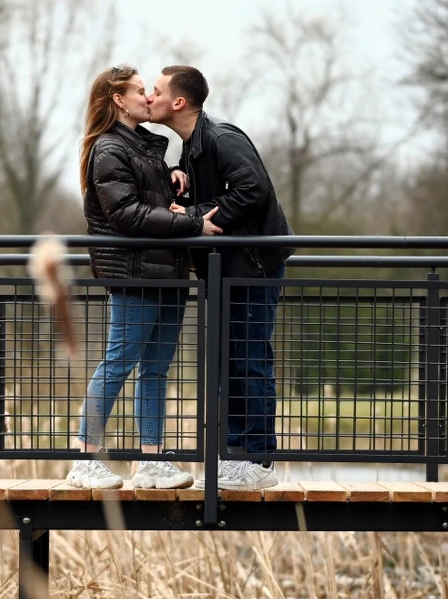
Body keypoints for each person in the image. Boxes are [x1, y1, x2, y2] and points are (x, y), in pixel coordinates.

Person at [67, 64, 223, 491]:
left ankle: (151, 462)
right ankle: (84, 458)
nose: (148, 97)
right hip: (134, 271)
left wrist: (175, 181)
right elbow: (127, 215)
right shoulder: (108, 149)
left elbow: (152, 202)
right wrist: (194, 222)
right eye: (140, 91)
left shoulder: (148, 148)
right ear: (119, 100)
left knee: (156, 369)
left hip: (168, 269)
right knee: (119, 361)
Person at [149, 65, 294, 491]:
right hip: (228, 269)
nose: (149, 97)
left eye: (155, 91)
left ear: (178, 102)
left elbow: (253, 190)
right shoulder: (193, 148)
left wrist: (198, 216)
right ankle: (235, 457)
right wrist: (183, 190)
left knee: (249, 361)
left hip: (253, 264)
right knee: (231, 362)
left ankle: (260, 462)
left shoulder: (221, 137)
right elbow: (220, 192)